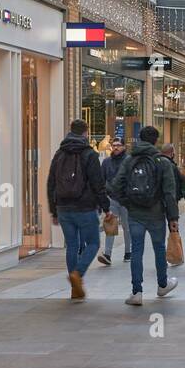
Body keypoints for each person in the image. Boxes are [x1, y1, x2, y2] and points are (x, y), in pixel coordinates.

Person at [109, 124, 179, 305]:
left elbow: (116, 186)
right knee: (159, 248)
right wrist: (173, 218)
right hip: (156, 213)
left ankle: (137, 292)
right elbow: (170, 193)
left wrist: (127, 202)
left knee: (137, 251)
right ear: (156, 141)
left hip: (135, 214)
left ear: (140, 138)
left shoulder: (129, 160)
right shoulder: (162, 162)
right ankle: (162, 285)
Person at [46, 119, 110, 300]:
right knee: (93, 244)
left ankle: (75, 289)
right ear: (85, 133)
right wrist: (106, 207)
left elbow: (51, 182)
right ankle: (78, 274)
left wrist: (54, 210)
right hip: (85, 207)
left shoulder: (59, 154)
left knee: (72, 245)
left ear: (70, 131)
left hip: (64, 207)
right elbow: (98, 184)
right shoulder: (89, 154)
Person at [98, 138, 132, 266]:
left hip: (126, 199)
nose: (116, 147)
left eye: (119, 145)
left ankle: (128, 251)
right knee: (110, 226)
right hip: (111, 199)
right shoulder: (106, 162)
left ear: (124, 147)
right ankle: (107, 254)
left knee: (127, 227)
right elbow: (101, 180)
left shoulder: (129, 161)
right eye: (114, 145)